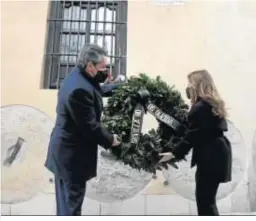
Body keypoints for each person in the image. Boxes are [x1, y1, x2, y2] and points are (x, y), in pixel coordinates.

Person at [44, 44, 122, 216]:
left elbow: (97, 90)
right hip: (72, 158)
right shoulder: (78, 89)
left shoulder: (79, 78)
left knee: (66, 205)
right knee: (71, 207)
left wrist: (118, 88)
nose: (106, 72)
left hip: (66, 155)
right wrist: (111, 140)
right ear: (90, 65)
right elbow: (90, 127)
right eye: (103, 68)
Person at [159, 70, 232, 216]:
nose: (187, 87)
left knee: (205, 201)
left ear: (197, 85)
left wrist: (173, 153)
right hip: (218, 153)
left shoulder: (199, 108)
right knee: (208, 200)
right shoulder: (210, 104)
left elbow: (192, 136)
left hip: (210, 157)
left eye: (189, 83)